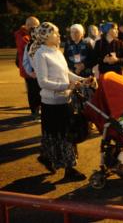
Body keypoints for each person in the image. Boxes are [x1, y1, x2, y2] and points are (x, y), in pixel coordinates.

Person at [32, 22, 88, 180]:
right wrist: (67, 85)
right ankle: (69, 170)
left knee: (61, 135)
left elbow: (67, 73)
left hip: (66, 100)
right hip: (52, 104)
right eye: (55, 33)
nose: (58, 36)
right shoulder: (40, 54)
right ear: (46, 36)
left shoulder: (56, 51)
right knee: (62, 136)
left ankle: (47, 157)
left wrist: (83, 80)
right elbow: (42, 82)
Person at [14, 16, 41, 119]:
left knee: (35, 89)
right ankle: (34, 110)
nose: (37, 28)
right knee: (33, 91)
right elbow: (29, 49)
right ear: (28, 26)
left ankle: (36, 109)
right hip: (29, 69)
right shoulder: (23, 37)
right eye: (35, 26)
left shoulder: (25, 35)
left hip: (30, 68)